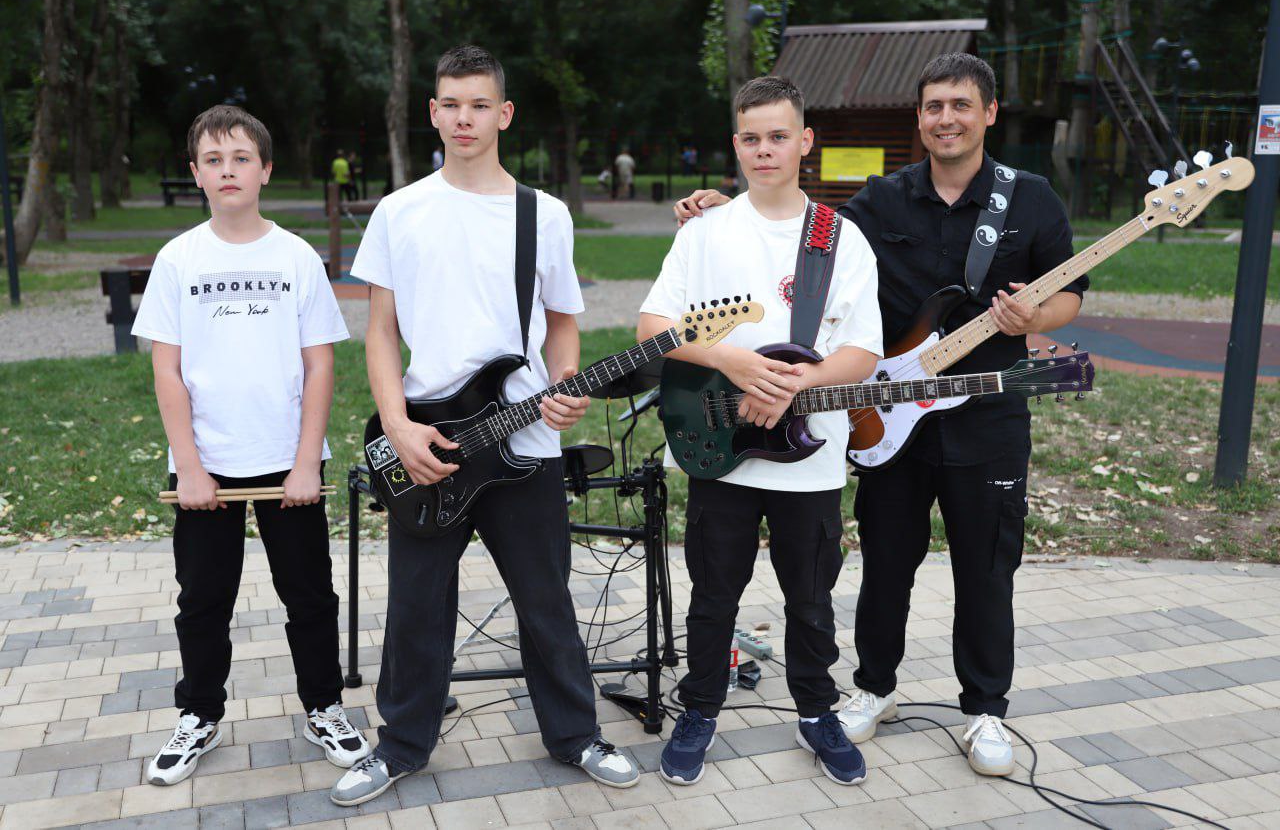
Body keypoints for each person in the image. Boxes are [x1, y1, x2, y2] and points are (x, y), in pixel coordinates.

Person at [673, 53, 1087, 777]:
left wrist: (1035, 317)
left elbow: (1071, 296)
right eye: (934, 107)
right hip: (889, 417)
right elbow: (793, 224)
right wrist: (719, 204)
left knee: (986, 570)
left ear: (989, 112)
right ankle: (872, 688)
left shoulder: (1031, 199)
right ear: (919, 118)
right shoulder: (881, 202)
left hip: (987, 414)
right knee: (885, 564)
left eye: (961, 105)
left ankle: (985, 709)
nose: (946, 119)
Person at [329, 45, 640, 807]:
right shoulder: (399, 211)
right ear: (433, 113)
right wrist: (397, 426)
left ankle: (575, 734)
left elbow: (561, 322)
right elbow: (379, 332)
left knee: (546, 600)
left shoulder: (545, 214)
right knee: (415, 605)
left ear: (504, 114)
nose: (463, 118)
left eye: (478, 105)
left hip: (525, 443)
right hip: (428, 442)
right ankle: (401, 744)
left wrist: (566, 382)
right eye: (450, 104)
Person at [639, 75, 883, 788]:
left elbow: (862, 351)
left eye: (779, 136)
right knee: (714, 594)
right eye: (751, 138)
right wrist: (730, 362)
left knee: (810, 598)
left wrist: (792, 386)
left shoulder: (839, 239)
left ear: (805, 141)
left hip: (811, 460)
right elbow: (652, 326)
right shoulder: (705, 232)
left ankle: (816, 711)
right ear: (736, 144)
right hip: (720, 451)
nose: (765, 149)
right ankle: (700, 710)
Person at [131, 105, 368, 786]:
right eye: (214, 160)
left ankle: (324, 706)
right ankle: (199, 713)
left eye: (241, 158)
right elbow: (167, 371)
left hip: (288, 462)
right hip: (205, 467)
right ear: (196, 173)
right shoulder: (179, 259)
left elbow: (320, 365)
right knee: (203, 600)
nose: (227, 170)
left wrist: (306, 460)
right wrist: (190, 467)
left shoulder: (296, 257)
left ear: (265, 169)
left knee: (311, 597)